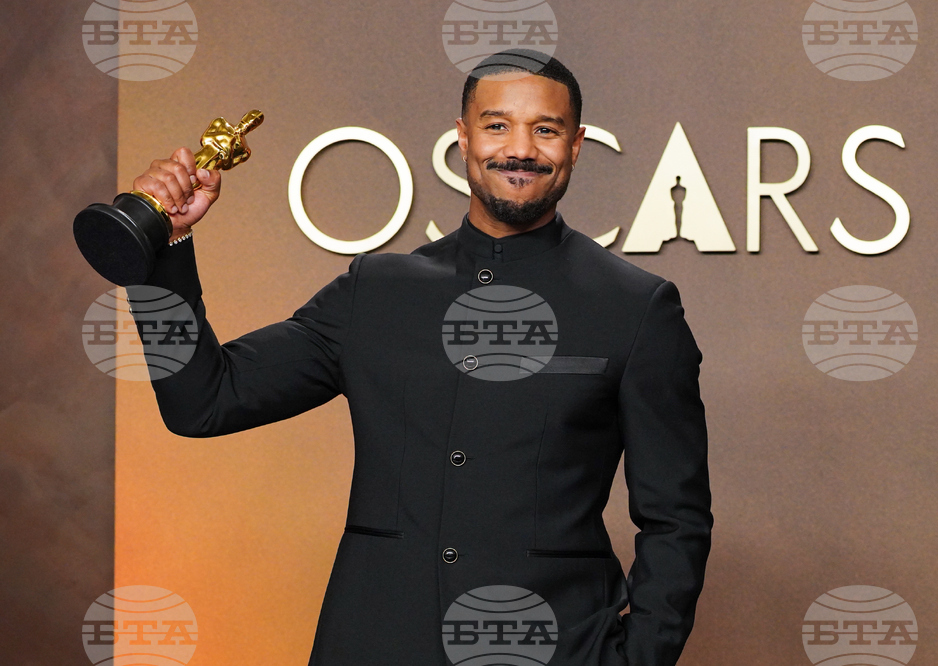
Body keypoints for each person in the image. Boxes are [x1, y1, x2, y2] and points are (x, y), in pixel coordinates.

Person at [131, 49, 713, 666]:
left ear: (575, 145)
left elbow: (676, 520)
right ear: (462, 139)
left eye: (545, 129)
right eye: (497, 126)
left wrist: (636, 659)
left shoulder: (637, 307)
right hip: (375, 644)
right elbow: (204, 401)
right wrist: (167, 250)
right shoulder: (375, 292)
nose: (520, 148)